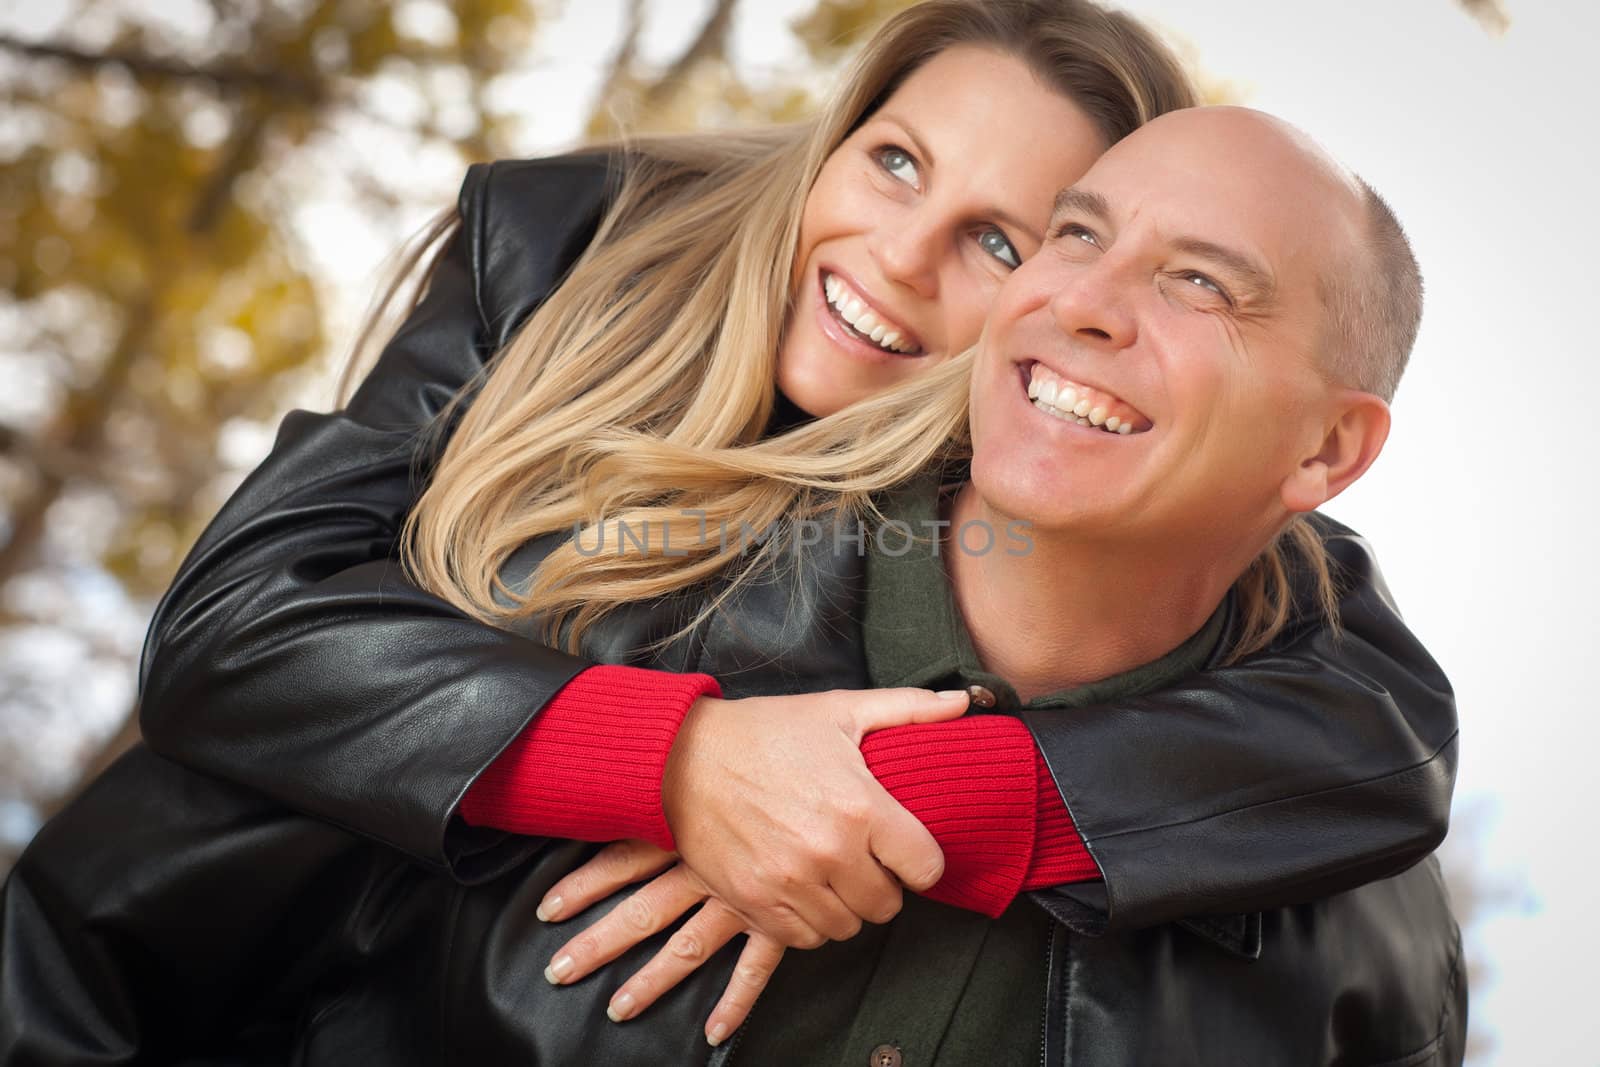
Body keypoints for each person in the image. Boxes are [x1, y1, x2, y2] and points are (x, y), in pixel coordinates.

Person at [0, 105, 1464, 1066]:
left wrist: (943, 799)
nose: (1079, 296)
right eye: (1076, 236)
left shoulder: (1361, 918)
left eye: (1200, 283)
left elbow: (1383, 729)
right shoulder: (596, 576)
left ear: (1329, 450)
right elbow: (90, 947)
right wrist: (667, 755)